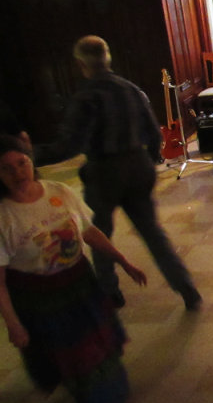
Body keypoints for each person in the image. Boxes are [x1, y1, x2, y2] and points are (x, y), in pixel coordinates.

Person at [35, 36, 202, 311]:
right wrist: (148, 161)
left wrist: (31, 155)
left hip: (104, 171)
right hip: (138, 166)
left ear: (80, 64)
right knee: (152, 232)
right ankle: (187, 289)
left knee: (100, 233)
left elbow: (69, 145)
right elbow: (154, 133)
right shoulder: (132, 90)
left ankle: (110, 293)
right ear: (107, 58)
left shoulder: (86, 96)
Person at [0, 134, 147, 403]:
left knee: (91, 350)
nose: (17, 173)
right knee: (62, 354)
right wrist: (12, 323)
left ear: (31, 161)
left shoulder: (59, 192)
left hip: (79, 284)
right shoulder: (3, 216)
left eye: (21, 163)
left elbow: (88, 231)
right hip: (38, 297)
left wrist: (123, 261)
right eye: (6, 169)